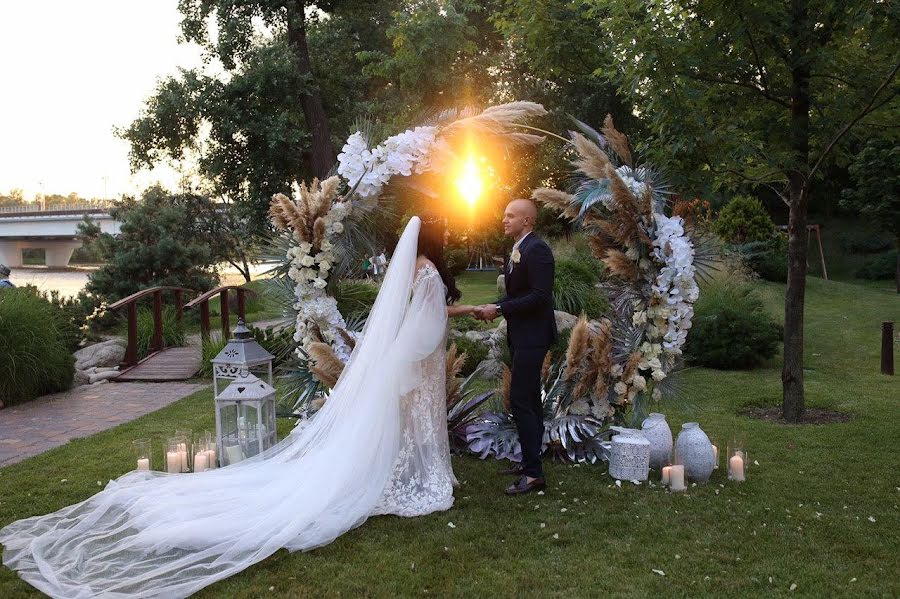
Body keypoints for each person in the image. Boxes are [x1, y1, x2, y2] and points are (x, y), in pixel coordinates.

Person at [0, 216, 477, 598]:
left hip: (401, 359)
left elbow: (414, 315)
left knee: (409, 420)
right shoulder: (430, 271)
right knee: (418, 418)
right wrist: (422, 350)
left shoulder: (414, 269)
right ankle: (423, 474)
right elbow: (426, 324)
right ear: (438, 240)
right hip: (419, 361)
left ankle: (413, 468)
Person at [475, 199, 557, 496]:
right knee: (530, 401)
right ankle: (530, 462)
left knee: (522, 401)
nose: (504, 220)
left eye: (511, 216)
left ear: (527, 221)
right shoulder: (518, 248)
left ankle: (534, 474)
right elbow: (521, 294)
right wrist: (498, 307)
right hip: (522, 334)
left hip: (534, 336)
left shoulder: (538, 250)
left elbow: (539, 296)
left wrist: (498, 309)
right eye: (504, 214)